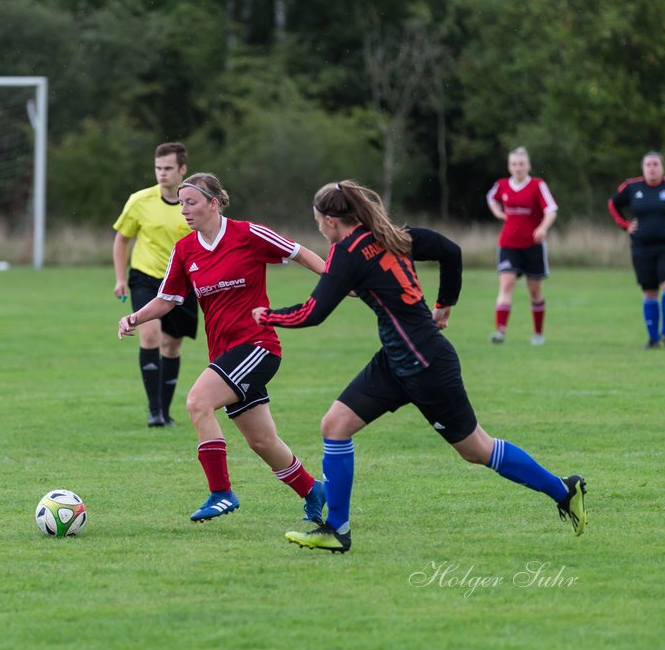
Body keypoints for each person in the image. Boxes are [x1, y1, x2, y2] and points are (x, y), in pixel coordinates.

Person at [253, 180, 587, 553]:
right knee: (335, 424)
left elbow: (312, 314)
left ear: (331, 221)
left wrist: (267, 315)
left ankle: (564, 489)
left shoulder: (348, 252)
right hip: (397, 360)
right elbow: (450, 250)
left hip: (426, 366)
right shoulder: (394, 236)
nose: (317, 227)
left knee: (476, 449)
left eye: (317, 220)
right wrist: (446, 303)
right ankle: (337, 529)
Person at [117, 172, 328, 523]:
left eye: (192, 203)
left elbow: (300, 253)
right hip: (226, 355)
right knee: (262, 441)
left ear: (213, 203)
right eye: (182, 203)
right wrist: (135, 318)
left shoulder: (247, 234)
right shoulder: (185, 250)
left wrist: (337, 282)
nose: (184, 210)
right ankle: (314, 491)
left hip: (258, 346)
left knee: (198, 402)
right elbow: (167, 300)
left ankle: (221, 492)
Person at [112, 142, 198, 427]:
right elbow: (122, 239)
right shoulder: (140, 201)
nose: (162, 174)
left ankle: (165, 410)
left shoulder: (196, 202)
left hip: (183, 282)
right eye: (158, 168)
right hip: (146, 278)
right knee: (149, 335)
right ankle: (154, 411)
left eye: (168, 168)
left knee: (172, 346)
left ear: (182, 169)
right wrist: (121, 278)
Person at [607, 151, 665, 349]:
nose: (652, 168)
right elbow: (612, 204)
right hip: (642, 249)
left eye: (655, 164)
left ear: (662, 167)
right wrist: (625, 225)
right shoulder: (632, 187)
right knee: (650, 292)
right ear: (643, 168)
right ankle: (653, 338)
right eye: (648, 164)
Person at [485, 147, 558, 345]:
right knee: (506, 284)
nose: (518, 168)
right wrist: (498, 213)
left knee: (534, 292)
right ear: (509, 166)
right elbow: (490, 198)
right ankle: (500, 332)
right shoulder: (501, 185)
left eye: (522, 164)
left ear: (528, 166)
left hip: (533, 246)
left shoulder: (537, 185)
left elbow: (551, 209)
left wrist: (542, 228)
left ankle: (538, 334)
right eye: (514, 164)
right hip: (508, 244)